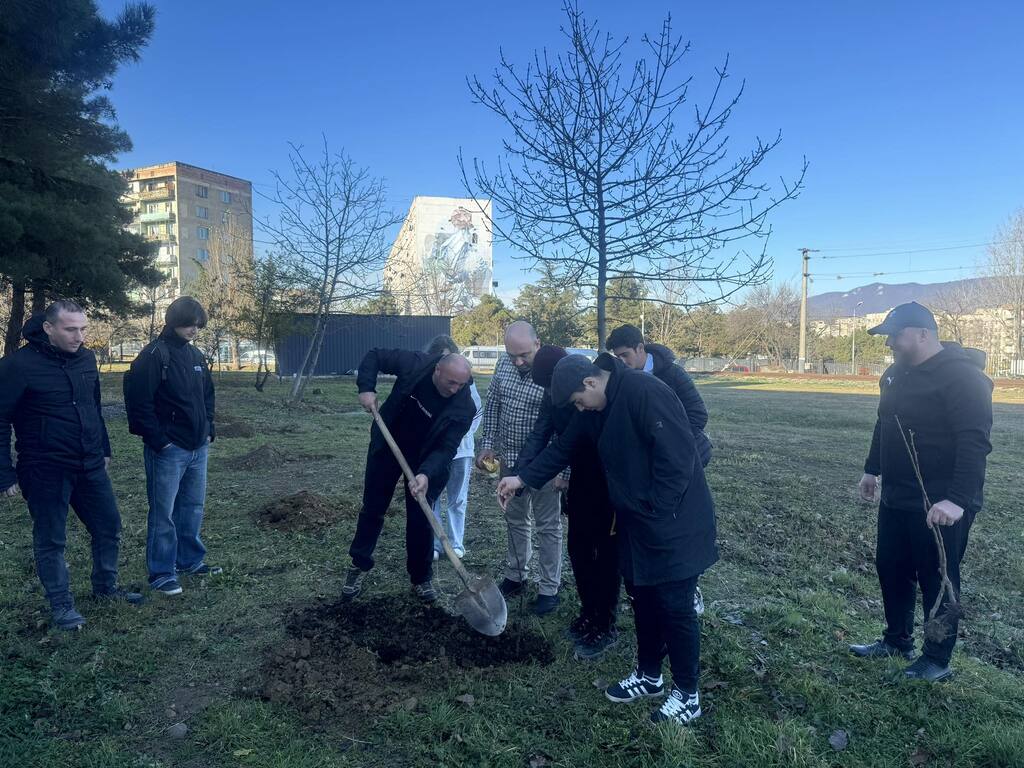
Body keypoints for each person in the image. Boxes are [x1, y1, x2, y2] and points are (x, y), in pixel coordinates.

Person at [498, 354, 718, 726]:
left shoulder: (644, 391)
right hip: (635, 519)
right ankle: (649, 676)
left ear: (589, 383)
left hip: (673, 520)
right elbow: (562, 447)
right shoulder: (595, 409)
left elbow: (679, 459)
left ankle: (688, 694)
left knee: (675, 607)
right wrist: (522, 478)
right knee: (642, 596)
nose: (578, 409)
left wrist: (655, 510)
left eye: (576, 401)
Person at [849, 302, 993, 682]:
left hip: (943, 500)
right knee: (891, 567)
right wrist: (872, 469)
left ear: (923, 334)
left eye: (895, 335)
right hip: (898, 493)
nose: (890, 343)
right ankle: (897, 640)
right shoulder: (895, 375)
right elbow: (885, 424)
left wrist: (958, 500)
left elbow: (974, 442)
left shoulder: (963, 378)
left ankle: (936, 659)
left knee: (938, 575)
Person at [0, 300, 142, 630]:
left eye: (83, 329)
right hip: (44, 468)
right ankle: (62, 606)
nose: (79, 336)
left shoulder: (86, 359)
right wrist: (4, 473)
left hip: (89, 463)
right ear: (49, 328)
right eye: (70, 329)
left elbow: (93, 406)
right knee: (51, 539)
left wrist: (103, 448)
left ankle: (106, 589)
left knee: (109, 528)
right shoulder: (17, 366)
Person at [343, 348, 475, 603]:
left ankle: (421, 577)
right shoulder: (416, 364)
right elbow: (374, 356)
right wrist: (366, 388)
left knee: (422, 516)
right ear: (438, 370)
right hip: (388, 443)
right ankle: (358, 565)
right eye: (451, 382)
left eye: (462, 383)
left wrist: (425, 474)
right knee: (373, 507)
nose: (456, 389)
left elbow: (447, 448)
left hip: (426, 460)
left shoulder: (464, 406)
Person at [515, 345, 620, 659]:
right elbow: (543, 435)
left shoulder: (602, 400)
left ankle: (606, 623)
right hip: (582, 481)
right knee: (579, 547)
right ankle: (588, 613)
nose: (550, 393)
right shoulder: (555, 395)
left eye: (551, 386)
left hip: (608, 485)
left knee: (606, 556)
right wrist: (522, 475)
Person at [606, 324, 712, 616]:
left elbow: (698, 415)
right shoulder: (621, 381)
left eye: (626, 354)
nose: (622, 362)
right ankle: (648, 588)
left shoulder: (671, 375)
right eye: (616, 357)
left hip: (677, 466)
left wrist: (668, 446)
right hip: (642, 470)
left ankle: (689, 590)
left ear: (641, 348)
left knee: (676, 529)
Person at [124, 297, 219, 597]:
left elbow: (207, 396)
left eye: (198, 324)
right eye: (189, 323)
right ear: (174, 320)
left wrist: (209, 428)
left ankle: (189, 560)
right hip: (168, 449)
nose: (194, 329)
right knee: (163, 512)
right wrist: (158, 441)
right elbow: (138, 403)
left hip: (197, 447)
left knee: (192, 507)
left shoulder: (196, 355)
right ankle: (162, 572)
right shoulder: (153, 355)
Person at [477, 320, 565, 615]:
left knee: (548, 526)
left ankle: (549, 588)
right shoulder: (504, 365)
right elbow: (493, 405)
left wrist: (564, 472)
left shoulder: (554, 371)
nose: (518, 361)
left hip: (544, 465)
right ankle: (517, 575)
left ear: (537, 343)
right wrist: (488, 443)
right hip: (509, 461)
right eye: (512, 354)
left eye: (524, 354)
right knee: (515, 520)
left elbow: (564, 430)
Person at [423, 335, 482, 560]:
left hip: (461, 451)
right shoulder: (427, 385)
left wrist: (458, 434)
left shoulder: (468, 384)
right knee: (433, 496)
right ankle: (437, 544)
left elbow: (476, 412)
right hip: (433, 452)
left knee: (458, 498)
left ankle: (456, 543)